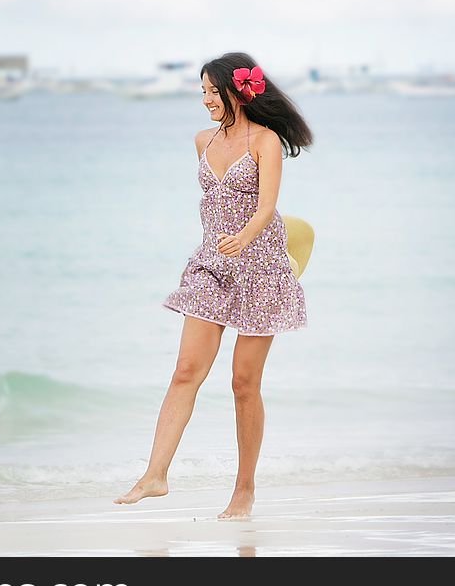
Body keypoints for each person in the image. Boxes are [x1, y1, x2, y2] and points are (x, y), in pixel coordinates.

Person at [114, 52, 314, 519]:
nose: (205, 100)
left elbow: (267, 207)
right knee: (186, 370)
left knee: (244, 383)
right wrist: (221, 247)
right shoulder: (202, 140)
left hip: (260, 269)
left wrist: (243, 239)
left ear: (237, 92)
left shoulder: (265, 140)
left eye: (211, 91)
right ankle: (155, 475)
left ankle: (244, 491)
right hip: (211, 267)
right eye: (201, 91)